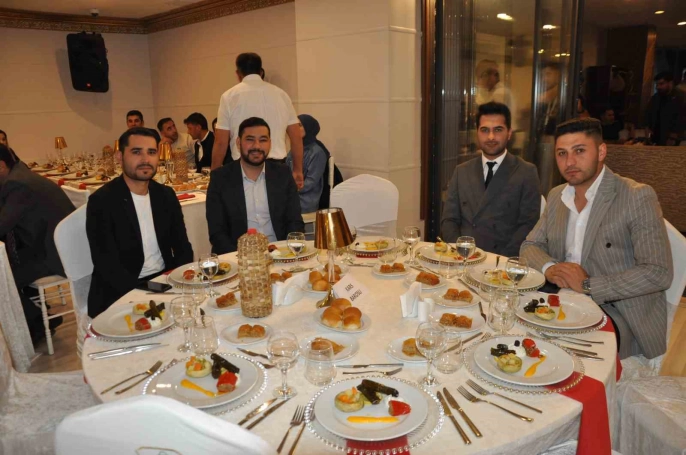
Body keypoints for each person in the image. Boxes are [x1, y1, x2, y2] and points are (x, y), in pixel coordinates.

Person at [520, 118, 673, 360]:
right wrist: (550, 268)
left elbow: (658, 272)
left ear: (601, 152)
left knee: (558, 356)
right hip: (561, 303)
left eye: (579, 151)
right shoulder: (558, 195)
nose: (570, 162)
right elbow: (530, 245)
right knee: (514, 333)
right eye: (562, 153)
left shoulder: (636, 197)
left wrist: (589, 285)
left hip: (618, 312)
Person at [86, 127, 194, 318]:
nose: (145, 159)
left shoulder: (165, 195)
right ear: (119, 157)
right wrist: (147, 293)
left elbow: (182, 247)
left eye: (151, 152)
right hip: (121, 292)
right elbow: (106, 264)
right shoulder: (102, 201)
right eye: (136, 152)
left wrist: (181, 281)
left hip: (164, 281)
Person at [441, 102, 541, 256]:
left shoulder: (526, 172)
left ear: (509, 133)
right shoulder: (461, 171)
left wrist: (499, 261)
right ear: (477, 133)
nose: (491, 137)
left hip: (503, 260)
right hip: (464, 257)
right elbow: (449, 220)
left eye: (498, 130)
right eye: (485, 130)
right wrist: (459, 251)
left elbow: (528, 225)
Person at [0, 144, 74, 340]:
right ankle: (38, 317)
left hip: (54, 255)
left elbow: (2, 225)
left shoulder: (17, 184)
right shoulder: (19, 175)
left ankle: (39, 324)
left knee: (2, 276)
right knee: (7, 267)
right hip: (52, 245)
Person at [206, 117, 304, 254]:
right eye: (250, 139)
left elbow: (295, 221)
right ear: (238, 143)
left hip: (280, 253)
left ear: (270, 143)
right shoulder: (221, 178)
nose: (257, 146)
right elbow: (217, 232)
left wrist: (286, 252)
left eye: (263, 140)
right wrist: (242, 258)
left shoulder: (282, 174)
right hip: (238, 256)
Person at [210, 53, 304, 189]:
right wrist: (298, 170)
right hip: (277, 168)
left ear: (238, 74)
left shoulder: (229, 97)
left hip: (244, 168)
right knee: (276, 203)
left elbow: (220, 142)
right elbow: (296, 137)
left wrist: (215, 174)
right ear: (260, 71)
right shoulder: (281, 94)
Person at [286, 114, 329, 213]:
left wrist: (290, 189)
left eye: (300, 125)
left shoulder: (317, 152)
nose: (296, 129)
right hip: (292, 194)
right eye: (295, 126)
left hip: (306, 199)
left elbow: (311, 182)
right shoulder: (294, 150)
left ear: (308, 128)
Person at [644, 71, 686, 146]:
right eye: (657, 84)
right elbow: (648, 114)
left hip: (672, 139)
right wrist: (647, 127)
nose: (658, 87)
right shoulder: (656, 97)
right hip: (655, 137)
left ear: (670, 83)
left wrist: (673, 137)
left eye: (661, 84)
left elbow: (681, 119)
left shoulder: (680, 98)